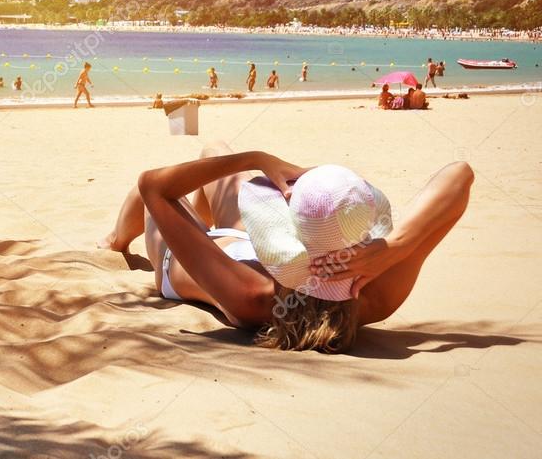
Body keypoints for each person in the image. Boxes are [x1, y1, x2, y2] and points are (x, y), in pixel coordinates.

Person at [98, 140, 474, 352]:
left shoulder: (251, 296)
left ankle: (116, 241)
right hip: (263, 255)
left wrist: (256, 158)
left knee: (149, 194)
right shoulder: (377, 294)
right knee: (212, 148)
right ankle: (206, 211)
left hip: (185, 265)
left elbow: (152, 186)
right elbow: (460, 175)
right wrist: (396, 246)